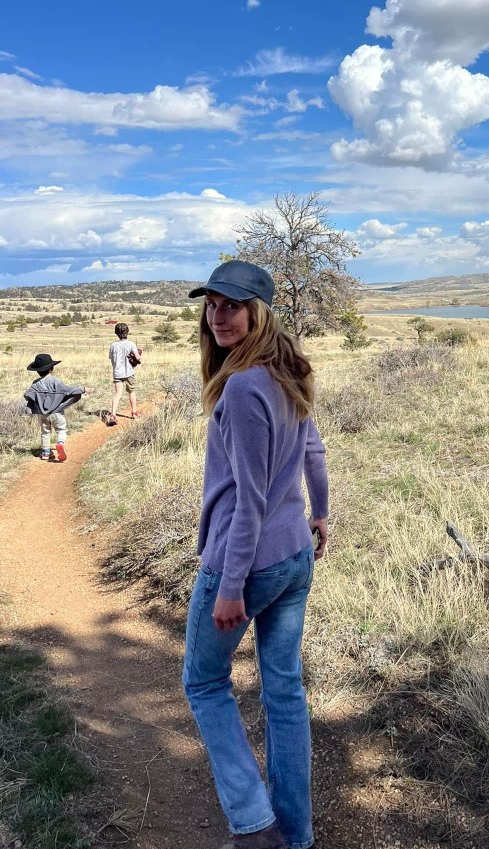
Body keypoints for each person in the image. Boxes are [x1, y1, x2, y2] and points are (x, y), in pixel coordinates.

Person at [182, 259, 329, 849]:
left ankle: (253, 825)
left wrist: (230, 584)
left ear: (258, 312)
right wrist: (319, 514)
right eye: (212, 303)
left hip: (247, 562)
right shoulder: (286, 371)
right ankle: (295, 836)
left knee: (204, 684)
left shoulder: (243, 387)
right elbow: (314, 451)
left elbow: (247, 503)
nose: (219, 315)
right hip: (294, 556)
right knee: (284, 691)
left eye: (232, 305)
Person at [23, 353, 91, 462]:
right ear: (51, 368)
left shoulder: (35, 383)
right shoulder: (55, 381)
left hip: (42, 414)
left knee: (45, 432)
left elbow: (27, 394)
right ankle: (60, 444)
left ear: (37, 370)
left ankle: (45, 453)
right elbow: (68, 390)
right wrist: (82, 389)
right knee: (61, 429)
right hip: (57, 413)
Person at [108, 322, 141, 425]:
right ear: (127, 332)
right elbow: (138, 357)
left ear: (116, 333)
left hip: (117, 373)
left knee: (118, 393)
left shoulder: (113, 345)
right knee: (131, 391)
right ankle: (134, 412)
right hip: (129, 372)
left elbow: (111, 358)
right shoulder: (131, 344)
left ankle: (113, 414)